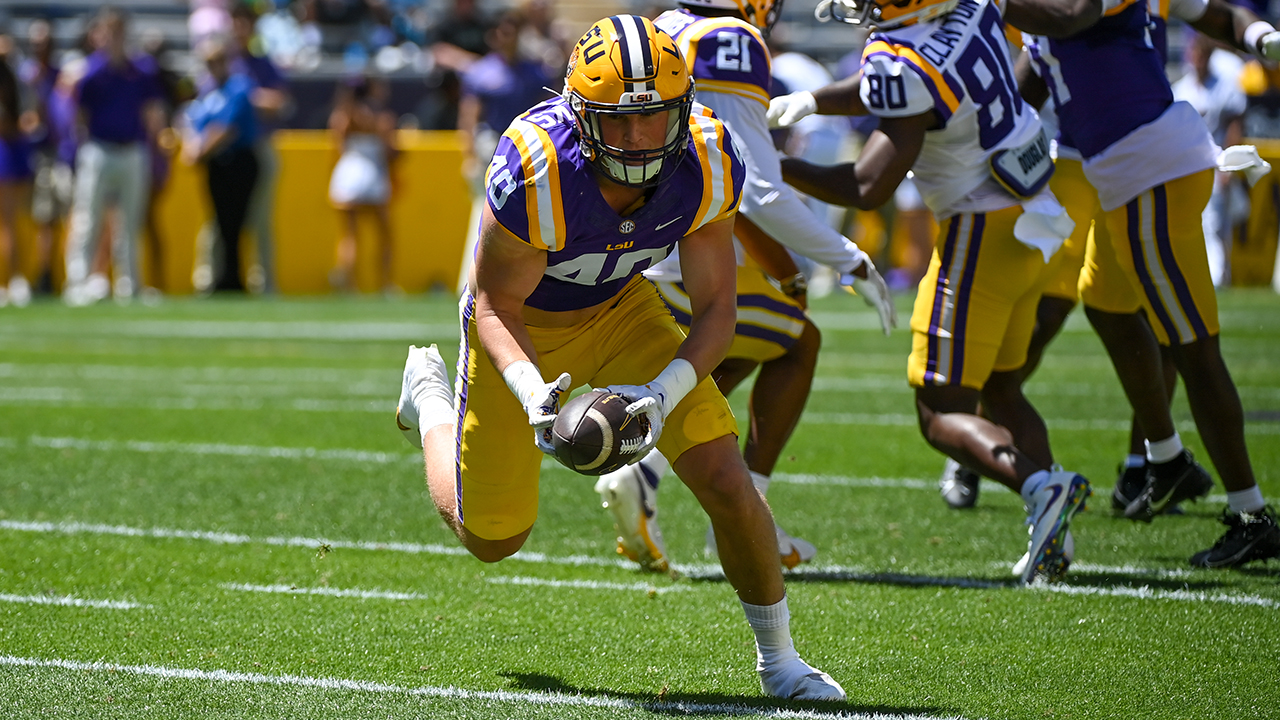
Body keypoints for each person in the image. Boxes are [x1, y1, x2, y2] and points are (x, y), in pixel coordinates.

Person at [393, 15, 845, 701]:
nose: (638, 140)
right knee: (493, 539)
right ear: (578, 117)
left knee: (726, 476)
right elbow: (493, 306)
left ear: (684, 107)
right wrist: (528, 389)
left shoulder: (708, 156)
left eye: (654, 118)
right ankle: (430, 397)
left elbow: (717, 308)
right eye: (617, 122)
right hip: (524, 325)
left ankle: (781, 660)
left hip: (622, 309)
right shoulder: (536, 167)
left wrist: (664, 391)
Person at [770, 0, 1089, 584]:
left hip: (980, 228)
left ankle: (1044, 488)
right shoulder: (970, 6)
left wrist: (777, 168)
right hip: (1034, 217)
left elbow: (869, 183)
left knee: (940, 409)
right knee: (1001, 389)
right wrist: (817, 100)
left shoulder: (903, 61)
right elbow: (911, 82)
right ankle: (1054, 538)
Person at [591, 0, 897, 574]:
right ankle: (743, 509)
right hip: (679, 268)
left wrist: (785, 270)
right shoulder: (729, 37)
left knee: (738, 346)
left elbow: (728, 190)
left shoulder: (663, 30)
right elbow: (757, 189)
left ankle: (645, 466)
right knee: (796, 340)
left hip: (631, 257)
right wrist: (850, 260)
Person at [1008, 0, 1280, 567]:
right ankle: (1166, 458)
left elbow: (1070, 18)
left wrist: (1260, 37)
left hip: (1151, 171)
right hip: (1123, 176)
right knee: (1104, 304)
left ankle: (1252, 515)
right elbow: (1028, 85)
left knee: (1194, 347)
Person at [63, 6, 164, 306]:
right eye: (109, 31)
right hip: (99, 149)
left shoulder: (140, 72)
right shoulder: (90, 74)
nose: (114, 37)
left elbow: (152, 115)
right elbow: (78, 119)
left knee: (130, 223)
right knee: (88, 219)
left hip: (132, 149)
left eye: (118, 31)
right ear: (99, 35)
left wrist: (158, 152)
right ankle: (76, 282)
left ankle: (130, 284)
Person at [454, 9, 555, 292]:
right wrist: (469, 155)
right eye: (504, 30)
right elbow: (469, 117)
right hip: (492, 148)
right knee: (486, 213)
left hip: (527, 150)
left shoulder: (534, 72)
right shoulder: (481, 72)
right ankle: (475, 279)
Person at [182, 36, 260, 293]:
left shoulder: (238, 87)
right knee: (221, 222)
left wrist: (198, 151)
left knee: (239, 222)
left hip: (239, 161)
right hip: (216, 164)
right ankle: (226, 277)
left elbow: (226, 128)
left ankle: (237, 278)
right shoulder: (207, 91)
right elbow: (193, 122)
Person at [327, 75, 397, 293]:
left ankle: (349, 285)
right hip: (373, 173)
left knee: (349, 234)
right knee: (384, 234)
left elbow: (337, 144)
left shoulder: (343, 115)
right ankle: (384, 285)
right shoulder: (381, 117)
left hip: (348, 172)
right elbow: (390, 151)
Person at [0, 32, 33, 308]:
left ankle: (11, 280)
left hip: (9, 153)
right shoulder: (12, 77)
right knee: (9, 224)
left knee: (8, 224)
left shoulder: (11, 78)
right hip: (10, 152)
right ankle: (13, 280)